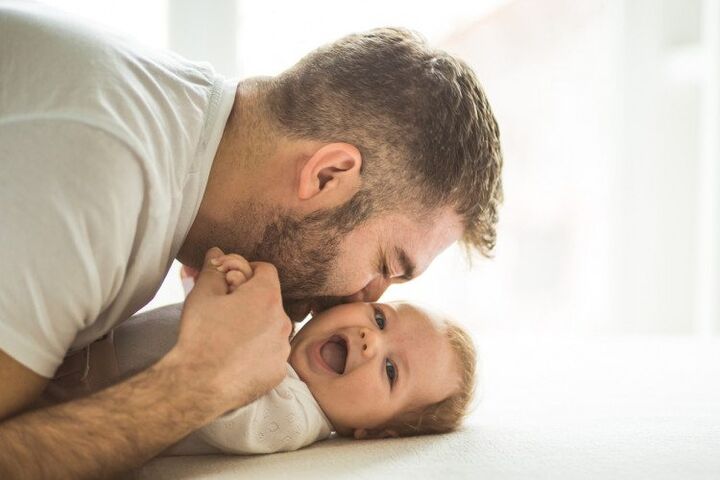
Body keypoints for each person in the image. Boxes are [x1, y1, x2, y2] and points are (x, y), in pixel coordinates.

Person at [0, 3, 502, 478]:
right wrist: (196, 384)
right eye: (385, 265)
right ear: (327, 176)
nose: (364, 296)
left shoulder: (169, 123)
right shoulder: (98, 179)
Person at [41, 253, 478, 455]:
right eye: (380, 320)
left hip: (80, 394)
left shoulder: (294, 418)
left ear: (372, 432)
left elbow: (219, 400)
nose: (370, 339)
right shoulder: (277, 333)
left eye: (389, 370)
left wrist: (214, 303)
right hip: (80, 347)